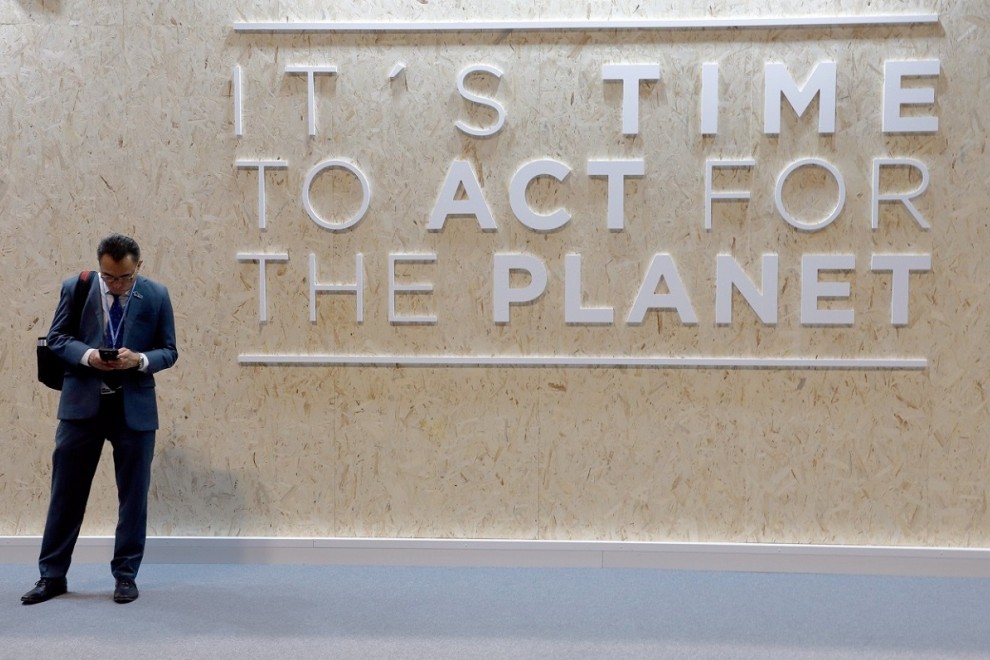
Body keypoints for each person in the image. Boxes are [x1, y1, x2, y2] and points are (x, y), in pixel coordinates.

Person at [22, 233, 178, 605]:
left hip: (134, 413)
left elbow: (169, 351)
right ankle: (51, 576)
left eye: (123, 278)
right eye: (108, 277)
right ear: (100, 267)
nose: (116, 285)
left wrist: (138, 360)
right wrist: (89, 355)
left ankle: (125, 577)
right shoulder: (76, 288)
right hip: (81, 410)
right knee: (66, 495)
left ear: (138, 267)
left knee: (133, 499)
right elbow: (57, 338)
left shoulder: (156, 295)